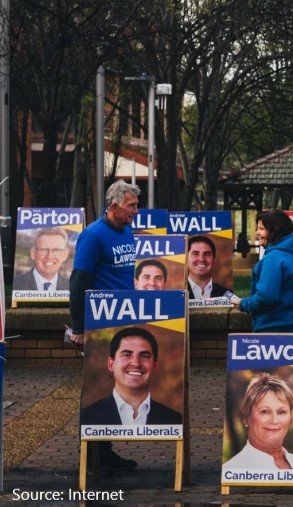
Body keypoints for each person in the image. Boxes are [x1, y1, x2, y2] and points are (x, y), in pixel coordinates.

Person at [68, 180, 141, 474]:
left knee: (115, 388)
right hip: (99, 324)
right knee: (98, 389)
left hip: (123, 321)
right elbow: (78, 282)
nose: (135, 211)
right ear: (113, 207)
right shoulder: (93, 236)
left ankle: (105, 451)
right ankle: (93, 456)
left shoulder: (126, 230)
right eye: (131, 206)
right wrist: (79, 327)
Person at [80, 327, 181, 425]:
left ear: (155, 366)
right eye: (127, 355)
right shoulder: (88, 418)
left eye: (145, 356)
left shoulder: (175, 421)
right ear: (111, 364)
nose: (136, 363)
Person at [232, 211, 293, 332]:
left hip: (274, 330)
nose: (257, 233)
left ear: (274, 232)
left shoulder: (273, 258)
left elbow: (265, 297)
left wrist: (243, 303)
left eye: (261, 229)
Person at [223, 373, 293, 470]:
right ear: (247, 416)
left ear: (290, 418)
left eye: (281, 412)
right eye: (265, 411)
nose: (274, 420)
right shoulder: (232, 470)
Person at [186, 235, 230, 299]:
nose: (201, 259)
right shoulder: (177, 294)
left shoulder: (226, 294)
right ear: (186, 259)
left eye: (207, 254)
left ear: (214, 260)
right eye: (195, 253)